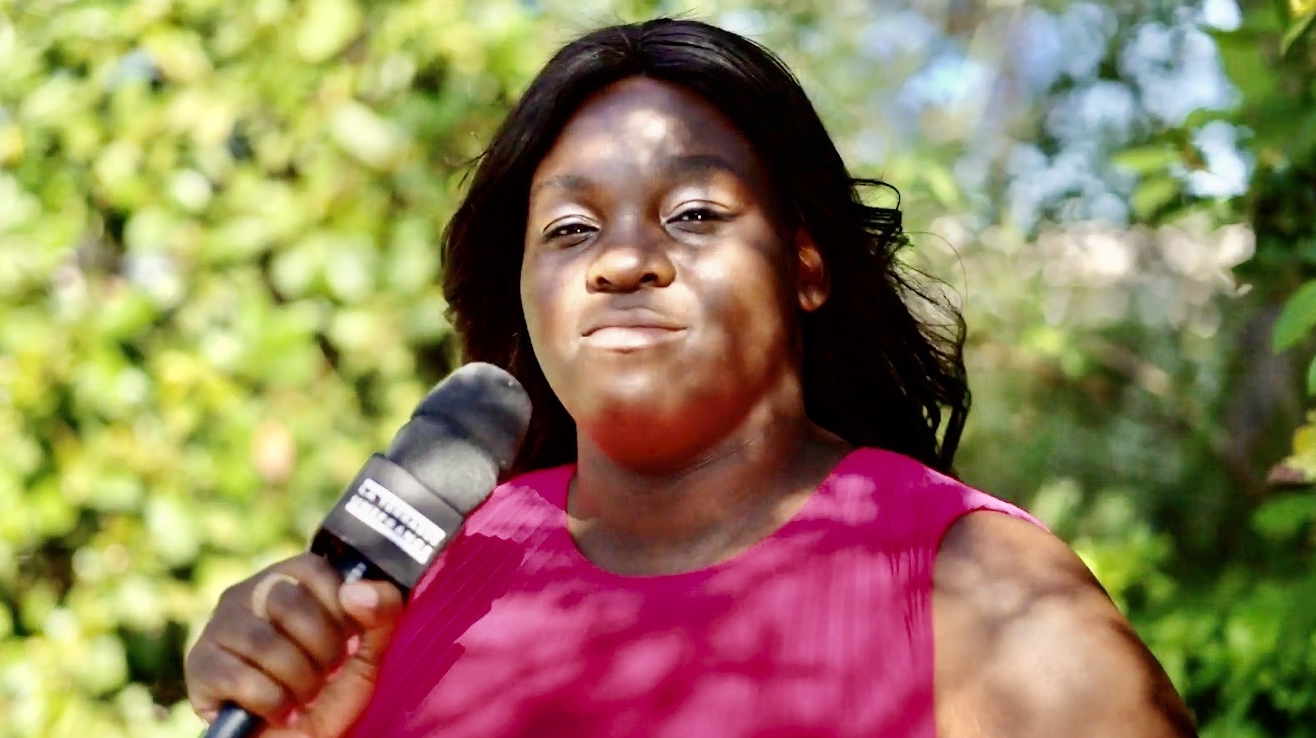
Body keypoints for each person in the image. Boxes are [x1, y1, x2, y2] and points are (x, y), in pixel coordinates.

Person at [184, 18, 1197, 738]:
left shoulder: (977, 589)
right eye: (570, 230)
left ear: (806, 264)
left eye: (694, 216)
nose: (620, 261)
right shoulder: (421, 580)